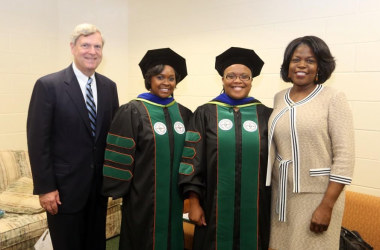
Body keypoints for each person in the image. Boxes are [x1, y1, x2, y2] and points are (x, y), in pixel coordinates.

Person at [27, 23, 119, 250]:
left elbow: (113, 138)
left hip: (98, 190)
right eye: (85, 45)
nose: (92, 51)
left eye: (97, 46)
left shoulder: (109, 87)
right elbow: (38, 142)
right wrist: (45, 188)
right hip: (63, 192)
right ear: (72, 47)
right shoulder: (48, 86)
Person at [266, 36, 355, 249]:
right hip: (281, 196)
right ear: (288, 65)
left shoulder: (333, 98)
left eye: (310, 60)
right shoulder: (279, 97)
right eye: (296, 59)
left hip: (317, 196)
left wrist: (327, 205)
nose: (302, 65)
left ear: (320, 67)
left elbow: (345, 156)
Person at [178, 47, 272, 250]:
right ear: (222, 79)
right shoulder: (205, 114)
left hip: (256, 210)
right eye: (231, 76)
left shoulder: (265, 115)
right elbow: (192, 161)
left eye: (244, 76)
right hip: (213, 208)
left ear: (251, 80)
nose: (238, 81)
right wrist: (194, 203)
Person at [102, 48, 192, 250]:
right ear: (149, 79)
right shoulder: (133, 111)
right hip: (142, 196)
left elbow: (190, 156)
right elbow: (119, 155)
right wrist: (120, 189)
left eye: (171, 78)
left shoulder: (184, 114)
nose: (166, 83)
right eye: (160, 77)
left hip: (174, 197)